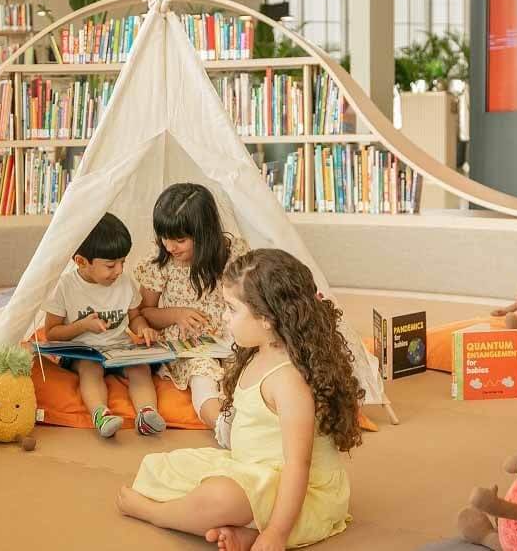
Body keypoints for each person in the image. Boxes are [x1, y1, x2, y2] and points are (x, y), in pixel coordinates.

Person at [118, 249, 361, 551]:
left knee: (219, 498)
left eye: (231, 310)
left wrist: (276, 534)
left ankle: (157, 514)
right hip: (251, 471)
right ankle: (246, 531)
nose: (223, 317)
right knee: (161, 466)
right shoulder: (258, 353)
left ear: (266, 319)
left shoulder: (288, 382)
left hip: (302, 490)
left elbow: (298, 465)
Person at [134, 183, 248, 431]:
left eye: (179, 240)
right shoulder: (161, 261)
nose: (169, 246)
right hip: (190, 347)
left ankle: (254, 424)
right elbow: (145, 312)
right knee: (202, 376)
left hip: (230, 339)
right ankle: (221, 426)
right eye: (164, 237)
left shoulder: (232, 255)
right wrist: (177, 314)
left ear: (205, 234)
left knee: (244, 373)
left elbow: (249, 300)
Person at [43, 213, 163, 438]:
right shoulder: (65, 287)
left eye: (122, 263)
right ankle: (101, 414)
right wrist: (82, 326)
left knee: (141, 369)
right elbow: (51, 333)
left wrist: (142, 328)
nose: (118, 270)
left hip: (120, 349)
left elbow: (135, 317)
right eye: (110, 265)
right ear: (81, 262)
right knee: (91, 370)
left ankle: (147, 414)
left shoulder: (123, 283)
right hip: (84, 353)